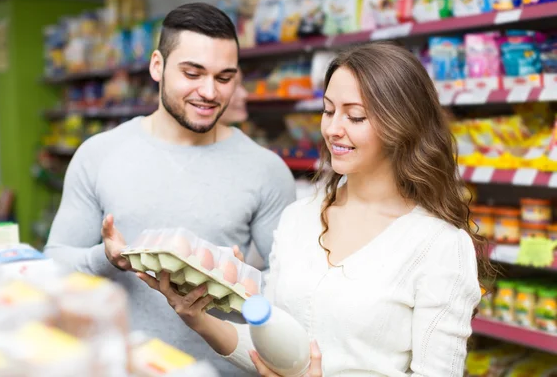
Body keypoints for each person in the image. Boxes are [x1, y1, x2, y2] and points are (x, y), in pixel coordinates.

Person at [137, 42, 493, 376]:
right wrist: (196, 315)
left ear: (403, 125)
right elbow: (276, 350)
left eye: (355, 117)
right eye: (328, 110)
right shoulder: (299, 218)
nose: (333, 129)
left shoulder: (438, 245)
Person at [44, 2, 296, 377]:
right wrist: (107, 258)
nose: (209, 92)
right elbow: (54, 265)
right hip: (124, 368)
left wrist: (238, 283)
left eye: (225, 77)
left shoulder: (266, 169)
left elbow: (289, 292)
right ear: (157, 66)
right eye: (193, 73)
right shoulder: (99, 154)